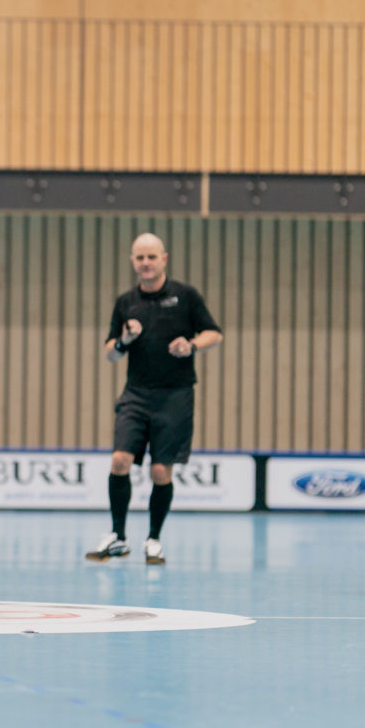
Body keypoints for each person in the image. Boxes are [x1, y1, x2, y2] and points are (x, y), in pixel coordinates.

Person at [86, 232, 223, 565]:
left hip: (175, 396)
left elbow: (214, 334)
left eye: (151, 257)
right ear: (133, 262)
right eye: (139, 257)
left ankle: (154, 539)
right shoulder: (125, 302)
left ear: (164, 258)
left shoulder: (186, 296)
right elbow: (109, 353)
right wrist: (124, 340)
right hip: (135, 394)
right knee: (120, 460)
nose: (145, 263)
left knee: (161, 470)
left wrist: (191, 344)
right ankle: (118, 536)